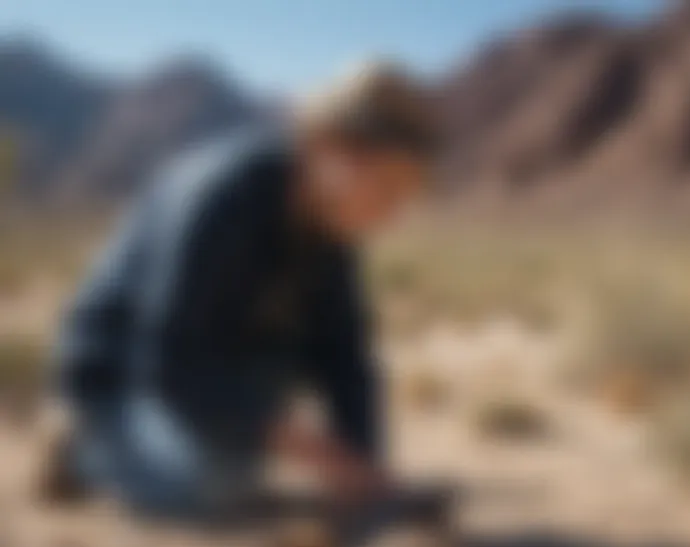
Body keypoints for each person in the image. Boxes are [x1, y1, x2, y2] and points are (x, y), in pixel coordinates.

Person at [49, 61, 439, 520]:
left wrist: (364, 466)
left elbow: (344, 356)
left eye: (404, 195)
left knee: (235, 462)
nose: (391, 214)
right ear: (327, 147)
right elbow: (169, 363)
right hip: (125, 370)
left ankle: (197, 448)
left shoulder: (328, 222)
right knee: (208, 484)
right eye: (386, 188)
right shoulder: (224, 197)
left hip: (218, 364)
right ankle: (90, 449)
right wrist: (296, 443)